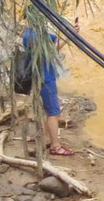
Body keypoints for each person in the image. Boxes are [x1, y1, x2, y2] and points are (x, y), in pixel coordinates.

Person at [22, 23, 75, 157]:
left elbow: (53, 41)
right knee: (53, 112)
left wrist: (70, 31)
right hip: (46, 78)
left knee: (50, 111)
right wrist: (71, 35)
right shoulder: (34, 36)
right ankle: (55, 146)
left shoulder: (29, 32)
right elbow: (51, 50)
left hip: (41, 76)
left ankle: (46, 139)